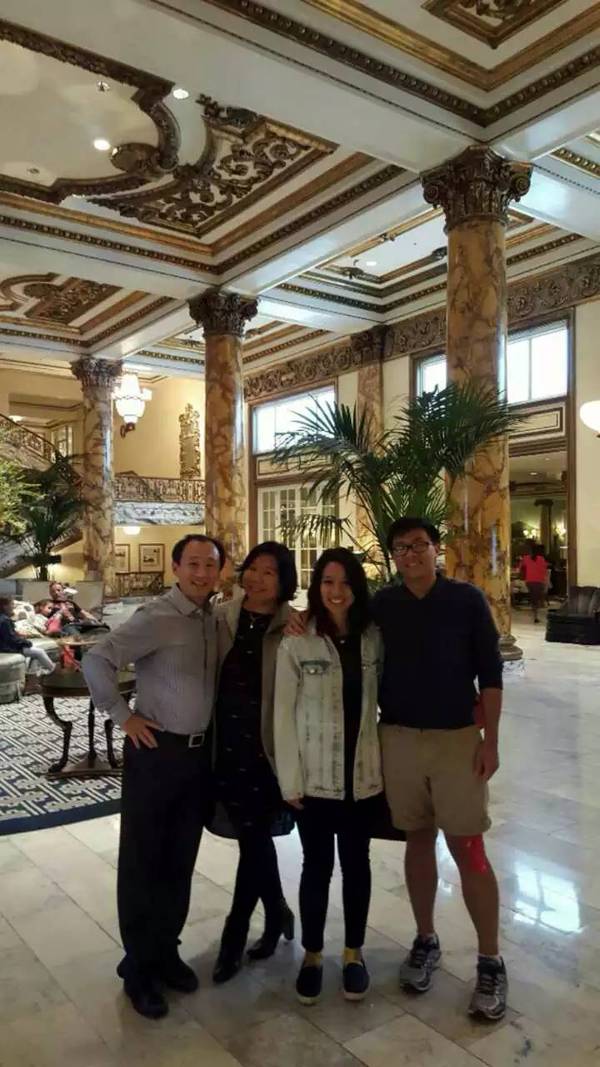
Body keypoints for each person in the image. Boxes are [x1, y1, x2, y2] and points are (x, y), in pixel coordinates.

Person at [82, 534, 224, 1020]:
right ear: (176, 567)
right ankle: (138, 968)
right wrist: (123, 715)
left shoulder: (213, 618)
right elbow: (96, 659)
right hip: (156, 755)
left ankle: (165, 950)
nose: (202, 573)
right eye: (194, 564)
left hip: (197, 759)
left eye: (210, 565)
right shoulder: (156, 617)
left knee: (179, 860)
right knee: (143, 862)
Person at [374, 517, 506, 1021]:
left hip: (456, 742)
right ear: (393, 557)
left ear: (436, 549)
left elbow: (490, 674)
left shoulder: (466, 600)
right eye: (401, 548)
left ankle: (490, 959)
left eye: (419, 545)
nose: (411, 554)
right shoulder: (383, 605)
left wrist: (491, 742)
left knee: (469, 846)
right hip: (399, 739)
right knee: (417, 838)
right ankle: (425, 938)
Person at [274, 547, 383, 1006]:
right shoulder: (298, 641)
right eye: (327, 582)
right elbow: (282, 713)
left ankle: (354, 953)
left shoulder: (373, 637)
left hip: (363, 778)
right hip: (314, 779)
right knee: (316, 866)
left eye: (345, 583)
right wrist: (289, 780)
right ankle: (313, 955)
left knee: (357, 864)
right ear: (317, 587)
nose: (336, 592)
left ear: (357, 588)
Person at [211, 541, 297, 984]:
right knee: (253, 840)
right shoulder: (222, 617)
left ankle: (235, 933)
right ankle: (278, 910)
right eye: (253, 568)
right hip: (226, 746)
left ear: (284, 582)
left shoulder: (294, 626)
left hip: (268, 752)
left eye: (269, 572)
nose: (257, 578)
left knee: (254, 838)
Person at [0, 596, 55, 674]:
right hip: (8, 648)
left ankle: (32, 673)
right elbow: (12, 639)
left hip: (5, 646)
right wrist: (26, 642)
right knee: (39, 652)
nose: (13, 607)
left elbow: (9, 635)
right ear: (5, 606)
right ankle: (52, 669)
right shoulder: (5, 620)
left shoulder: (3, 618)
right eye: (11, 604)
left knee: (33, 653)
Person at [520, 542, 548, 624]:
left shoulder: (525, 559)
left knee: (533, 596)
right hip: (539, 582)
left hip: (530, 581)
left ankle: (535, 612)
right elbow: (544, 571)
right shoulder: (541, 559)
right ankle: (535, 612)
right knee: (535, 596)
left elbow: (521, 569)